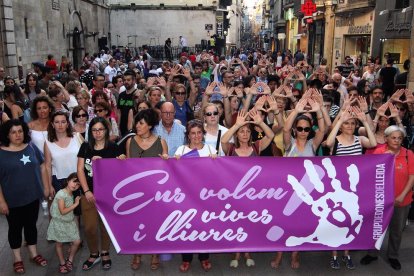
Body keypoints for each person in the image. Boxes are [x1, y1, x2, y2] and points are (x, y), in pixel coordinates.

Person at [221, 109, 274, 268]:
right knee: (236, 223)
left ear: (251, 134)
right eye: (241, 131)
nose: (244, 134)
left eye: (247, 131)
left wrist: (259, 122)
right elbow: (223, 141)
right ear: (236, 134)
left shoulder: (257, 146)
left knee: (250, 223)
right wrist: (236, 125)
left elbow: (270, 136)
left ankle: (248, 252)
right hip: (234, 194)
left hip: (254, 194)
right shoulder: (230, 149)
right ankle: (236, 253)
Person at [325, 106, 377, 269]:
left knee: (351, 220)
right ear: (341, 125)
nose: (349, 126)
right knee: (335, 221)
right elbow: (328, 143)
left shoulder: (359, 140)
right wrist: (340, 119)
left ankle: (346, 254)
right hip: (338, 188)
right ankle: (334, 255)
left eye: (352, 123)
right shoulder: (337, 141)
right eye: (346, 123)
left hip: (354, 188)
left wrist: (364, 122)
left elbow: (374, 143)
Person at [360, 126, 414, 271]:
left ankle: (393, 256)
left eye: (399, 138)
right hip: (380, 200)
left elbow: (412, 177)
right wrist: (385, 158)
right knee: (376, 228)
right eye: (393, 137)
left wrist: (402, 195)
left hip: (402, 200)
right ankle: (372, 254)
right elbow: (371, 174)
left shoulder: (408, 154)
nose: (396, 141)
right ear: (386, 139)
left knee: (397, 230)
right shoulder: (379, 152)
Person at [0, 120, 49, 274]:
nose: (17, 135)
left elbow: (42, 165)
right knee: (14, 229)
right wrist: (1, 202)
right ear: (7, 134)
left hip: (33, 196)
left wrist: (46, 186)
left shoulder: (31, 147)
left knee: (31, 225)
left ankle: (33, 253)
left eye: (20, 131)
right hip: (12, 201)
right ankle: (17, 258)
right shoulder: (1, 153)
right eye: (13, 132)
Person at [77, 117, 125, 271]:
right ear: (90, 132)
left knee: (105, 226)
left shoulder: (114, 147)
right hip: (88, 193)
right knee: (90, 227)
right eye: (94, 130)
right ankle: (93, 253)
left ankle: (105, 252)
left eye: (100, 129)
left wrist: (121, 161)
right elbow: (80, 170)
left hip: (108, 195)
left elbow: (120, 173)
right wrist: (86, 191)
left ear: (106, 130)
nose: (97, 133)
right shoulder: (85, 147)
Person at [126, 108, 168, 271]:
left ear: (150, 125)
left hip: (155, 192)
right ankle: (137, 253)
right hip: (136, 192)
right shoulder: (130, 141)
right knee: (137, 224)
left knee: (155, 224)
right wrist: (122, 160)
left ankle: (154, 254)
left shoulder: (161, 141)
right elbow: (128, 168)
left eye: (141, 123)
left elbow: (167, 172)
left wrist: (167, 160)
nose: (137, 125)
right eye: (137, 122)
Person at [174, 119, 217, 272]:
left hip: (205, 197)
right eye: (193, 133)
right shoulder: (181, 150)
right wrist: (173, 162)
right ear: (188, 135)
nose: (196, 136)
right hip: (186, 196)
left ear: (203, 134)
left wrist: (216, 162)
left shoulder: (211, 150)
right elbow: (174, 173)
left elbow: (217, 173)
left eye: (199, 133)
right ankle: (186, 259)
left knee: (204, 227)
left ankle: (204, 257)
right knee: (186, 227)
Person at [46, 173, 82, 274]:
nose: (75, 185)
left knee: (77, 241)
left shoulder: (71, 193)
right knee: (59, 243)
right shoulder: (61, 194)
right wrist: (75, 204)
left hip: (69, 222)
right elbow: (62, 211)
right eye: (74, 181)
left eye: (78, 184)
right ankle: (62, 263)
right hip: (59, 223)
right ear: (67, 180)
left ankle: (69, 260)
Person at [44, 111, 83, 198]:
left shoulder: (77, 137)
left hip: (79, 178)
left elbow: (86, 157)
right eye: (57, 122)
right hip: (59, 181)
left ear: (68, 124)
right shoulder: (48, 143)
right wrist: (49, 185)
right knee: (63, 210)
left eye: (63, 122)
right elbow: (47, 166)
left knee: (80, 209)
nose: (60, 125)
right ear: (52, 125)